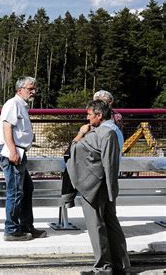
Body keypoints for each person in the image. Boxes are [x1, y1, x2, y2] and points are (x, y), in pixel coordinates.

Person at [67, 100, 130, 274]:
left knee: (96, 225)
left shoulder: (106, 132)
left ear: (99, 115)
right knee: (110, 223)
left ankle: (104, 266)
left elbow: (108, 163)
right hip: (103, 185)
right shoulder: (109, 131)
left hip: (95, 186)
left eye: (89, 114)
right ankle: (119, 264)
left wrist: (80, 134)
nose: (87, 118)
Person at [0, 76, 47, 241]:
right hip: (12, 152)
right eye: (30, 89)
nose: (33, 92)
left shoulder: (21, 105)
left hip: (18, 152)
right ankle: (11, 230)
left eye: (34, 89)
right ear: (19, 90)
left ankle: (25, 226)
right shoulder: (13, 104)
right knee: (15, 191)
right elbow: (6, 127)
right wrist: (12, 151)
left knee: (27, 189)